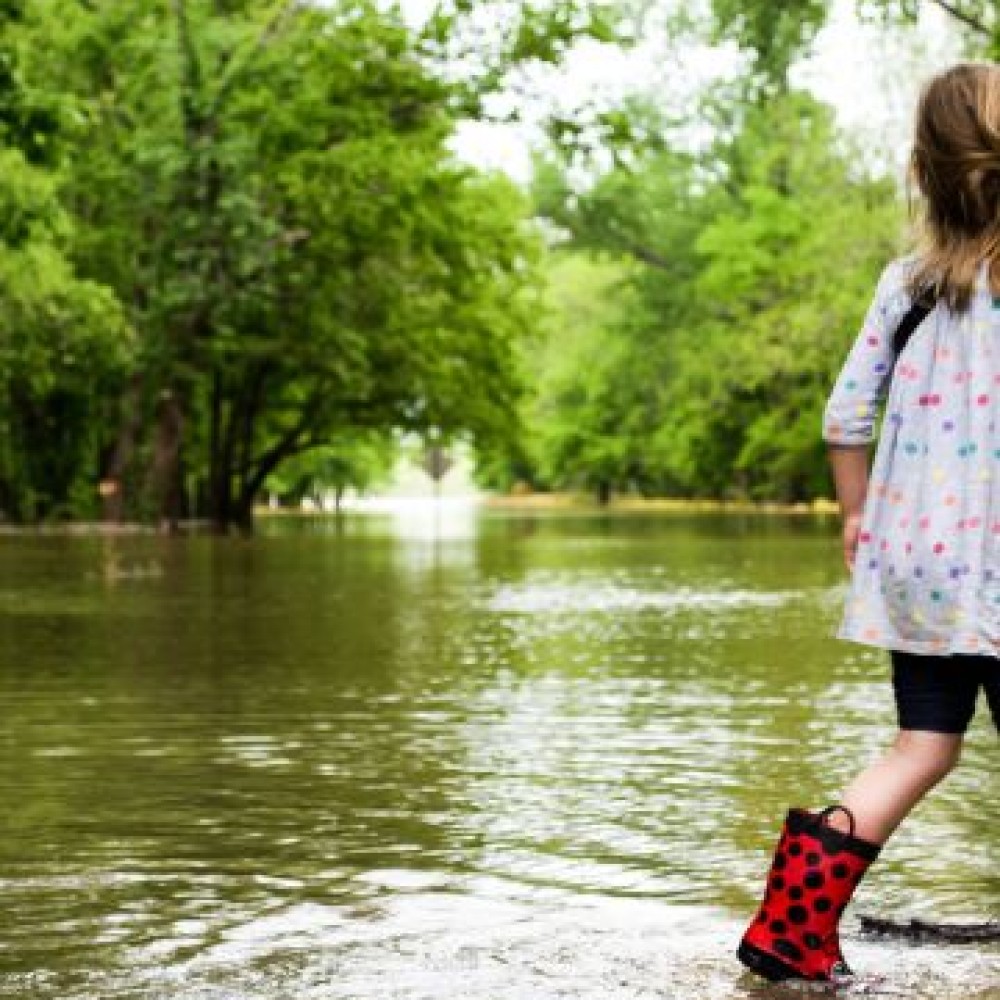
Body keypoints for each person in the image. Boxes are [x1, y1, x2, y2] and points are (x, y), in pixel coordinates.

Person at [738, 61, 1000, 984]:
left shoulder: (909, 284)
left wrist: (856, 517)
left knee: (922, 745)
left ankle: (789, 928)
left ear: (925, 169)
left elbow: (845, 418)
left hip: (920, 569)